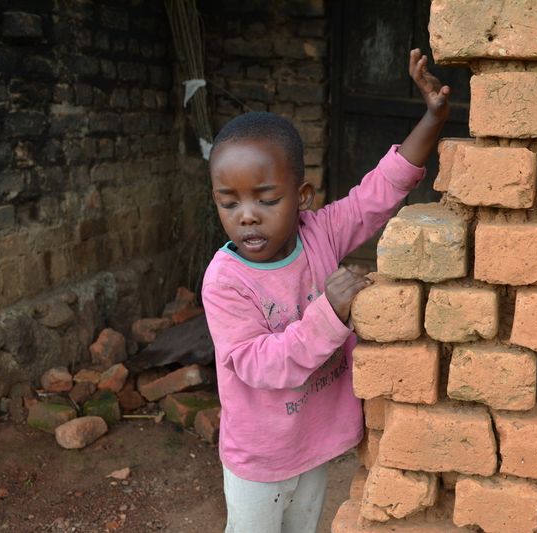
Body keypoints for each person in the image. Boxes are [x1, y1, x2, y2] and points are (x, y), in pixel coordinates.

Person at [201, 48, 451, 533]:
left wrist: (432, 118)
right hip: (259, 458)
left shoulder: (321, 232)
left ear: (303, 197)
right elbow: (259, 363)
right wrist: (328, 314)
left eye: (266, 199)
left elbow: (378, 194)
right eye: (228, 203)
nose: (246, 214)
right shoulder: (225, 280)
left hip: (313, 441)